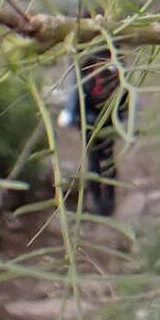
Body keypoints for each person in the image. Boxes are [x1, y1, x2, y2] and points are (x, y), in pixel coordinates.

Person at [57, 47, 129, 216]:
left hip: (88, 118)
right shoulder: (113, 56)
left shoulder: (86, 62)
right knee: (108, 156)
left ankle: (98, 201)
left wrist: (72, 114)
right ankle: (108, 199)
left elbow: (77, 86)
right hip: (110, 116)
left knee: (93, 158)